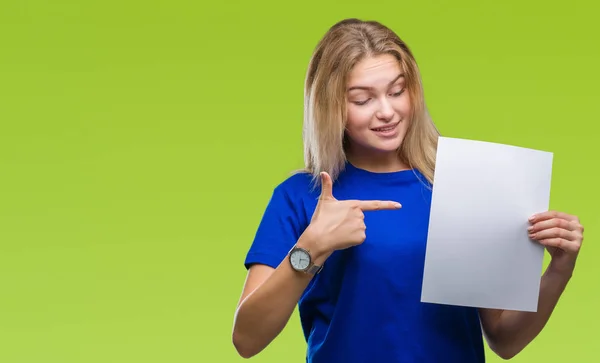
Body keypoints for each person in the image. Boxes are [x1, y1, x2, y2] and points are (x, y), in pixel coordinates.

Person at [231, 18, 585, 362]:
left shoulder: (465, 182)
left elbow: (505, 339)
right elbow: (247, 339)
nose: (387, 111)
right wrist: (311, 248)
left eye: (397, 91)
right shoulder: (299, 197)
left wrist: (559, 270)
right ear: (331, 106)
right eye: (362, 99)